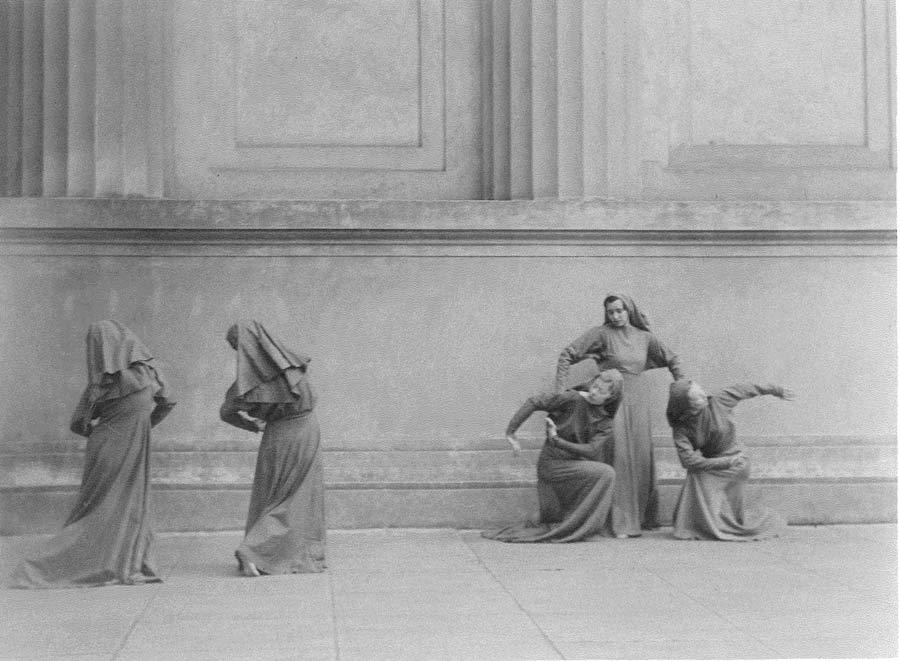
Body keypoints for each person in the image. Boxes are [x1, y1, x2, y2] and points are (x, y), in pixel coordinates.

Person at [11, 320, 176, 588]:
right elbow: (169, 402)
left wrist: (105, 430)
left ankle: (50, 565)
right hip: (134, 444)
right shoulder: (150, 373)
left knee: (99, 506)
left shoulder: (101, 383)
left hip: (105, 447)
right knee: (131, 504)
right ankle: (129, 562)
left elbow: (79, 424)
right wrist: (142, 427)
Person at [556, 294, 682, 537]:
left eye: (619, 311)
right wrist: (561, 393)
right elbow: (567, 354)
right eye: (611, 312)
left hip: (638, 402)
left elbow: (673, 359)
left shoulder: (645, 338)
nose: (615, 316)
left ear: (629, 310)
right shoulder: (601, 334)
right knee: (619, 458)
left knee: (641, 457)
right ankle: (617, 522)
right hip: (613, 403)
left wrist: (683, 390)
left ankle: (640, 518)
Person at [221, 320, 325, 575]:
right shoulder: (294, 369)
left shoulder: (244, 386)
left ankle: (262, 552)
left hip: (277, 436)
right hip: (307, 432)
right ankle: (256, 552)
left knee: (278, 497)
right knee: (297, 497)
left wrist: (251, 425)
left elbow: (226, 412)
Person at [482, 369, 623, 543]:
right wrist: (511, 432)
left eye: (601, 391)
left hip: (575, 464)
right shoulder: (573, 398)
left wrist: (557, 440)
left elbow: (591, 450)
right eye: (594, 386)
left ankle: (577, 525)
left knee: (606, 473)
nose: (593, 392)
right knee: (606, 472)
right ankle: (570, 527)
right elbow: (534, 401)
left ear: (610, 397)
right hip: (552, 464)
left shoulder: (606, 421)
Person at [666, 379, 793, 541]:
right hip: (717, 464)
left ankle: (724, 525)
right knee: (694, 474)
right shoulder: (681, 427)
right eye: (697, 398)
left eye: (702, 391)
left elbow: (748, 388)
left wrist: (777, 389)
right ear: (687, 406)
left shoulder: (720, 401)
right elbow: (688, 461)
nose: (704, 397)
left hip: (738, 461)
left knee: (734, 517)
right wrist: (723, 463)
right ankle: (693, 526)